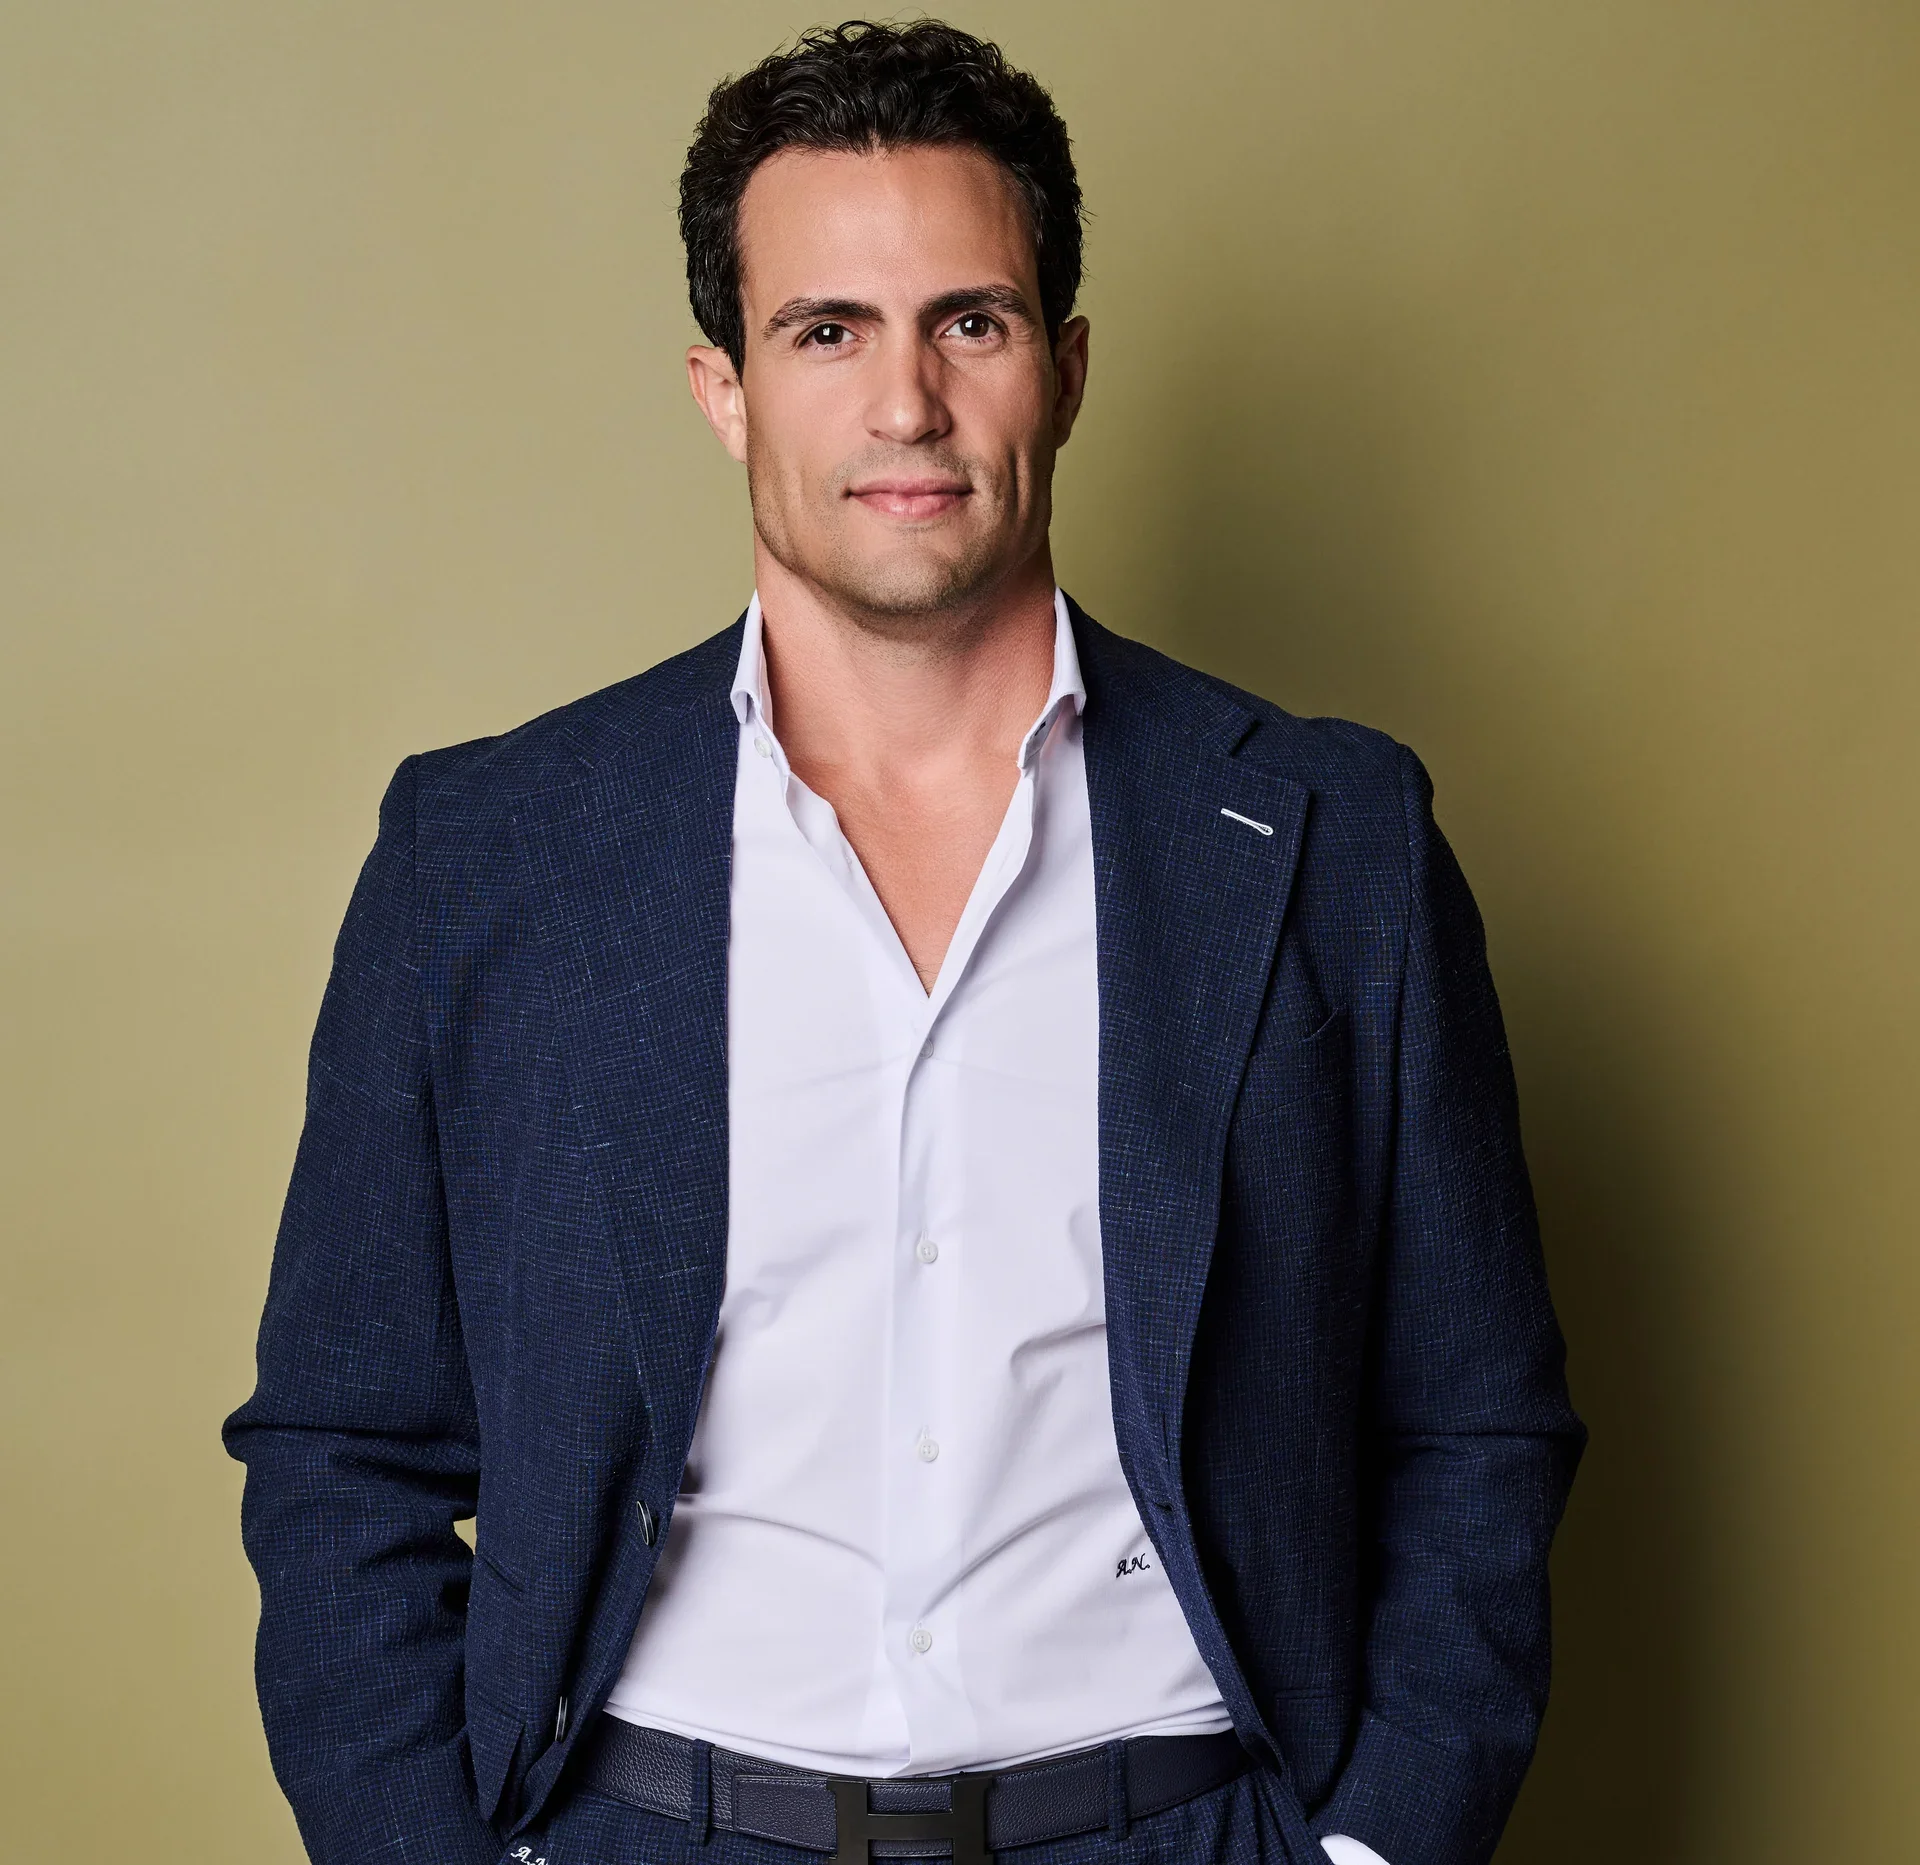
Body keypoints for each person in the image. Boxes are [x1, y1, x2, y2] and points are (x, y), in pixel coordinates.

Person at [225, 21, 1583, 1865]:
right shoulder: (490, 853)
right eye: (827, 331)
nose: (906, 408)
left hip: (1183, 1826)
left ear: (1068, 366)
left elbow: (1476, 1429)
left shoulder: (1333, 843)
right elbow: (341, 1447)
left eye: (970, 320)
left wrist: (1369, 1849)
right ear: (723, 385)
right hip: (655, 1827)